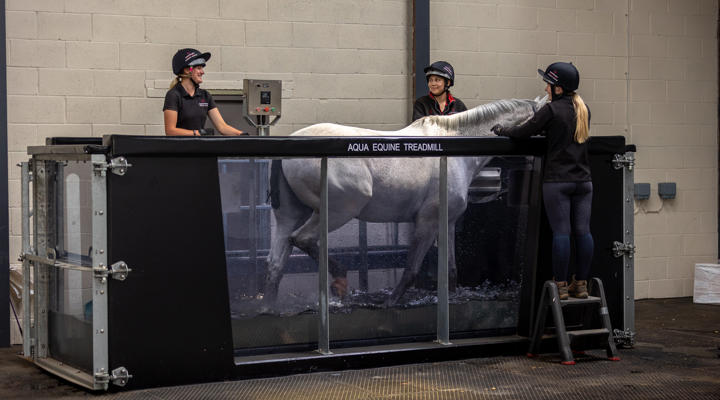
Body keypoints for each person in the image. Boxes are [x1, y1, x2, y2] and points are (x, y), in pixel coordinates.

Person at [491, 62, 592, 300]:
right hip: (584, 181)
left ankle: (561, 285)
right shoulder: (583, 108)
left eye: (549, 84)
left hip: (558, 180)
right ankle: (582, 284)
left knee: (561, 233)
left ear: (558, 88)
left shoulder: (551, 110)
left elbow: (523, 132)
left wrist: (503, 129)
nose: (546, 88)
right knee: (583, 232)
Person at [164, 48, 245, 136]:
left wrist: (241, 134)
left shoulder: (205, 95)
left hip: (199, 147)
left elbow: (222, 127)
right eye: (199, 68)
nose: (202, 72)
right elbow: (170, 131)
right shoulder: (174, 95)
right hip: (181, 148)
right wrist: (197, 133)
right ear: (187, 70)